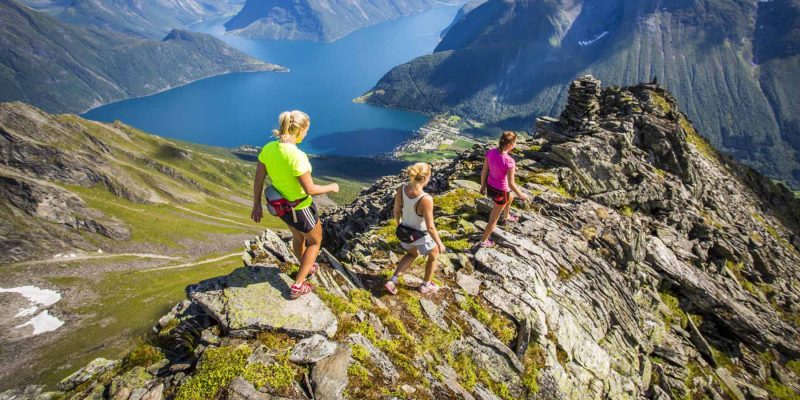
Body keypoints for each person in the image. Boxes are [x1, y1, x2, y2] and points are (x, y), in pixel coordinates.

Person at [251, 110, 339, 299]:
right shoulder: (297, 156)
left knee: (298, 237)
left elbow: (258, 179)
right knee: (315, 242)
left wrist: (256, 205)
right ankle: (298, 285)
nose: (306, 134)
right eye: (306, 131)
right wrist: (331, 187)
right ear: (299, 130)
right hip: (300, 207)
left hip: (281, 207)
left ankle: (305, 265)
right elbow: (310, 189)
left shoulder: (268, 148)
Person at [384, 163, 446, 295]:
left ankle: (392, 281)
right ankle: (426, 285)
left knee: (412, 254)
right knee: (434, 255)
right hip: (421, 235)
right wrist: (440, 243)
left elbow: (396, 209)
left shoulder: (402, 189)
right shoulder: (426, 199)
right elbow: (430, 227)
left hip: (404, 232)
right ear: (424, 178)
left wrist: (398, 224)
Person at [477, 131, 529, 248]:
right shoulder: (509, 161)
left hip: (490, 186)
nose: (515, 144)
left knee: (511, 196)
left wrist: (482, 185)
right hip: (501, 191)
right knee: (493, 219)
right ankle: (483, 242)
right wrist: (521, 195)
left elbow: (484, 171)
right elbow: (511, 183)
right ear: (510, 144)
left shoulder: (490, 152)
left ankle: (506, 217)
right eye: (515, 142)